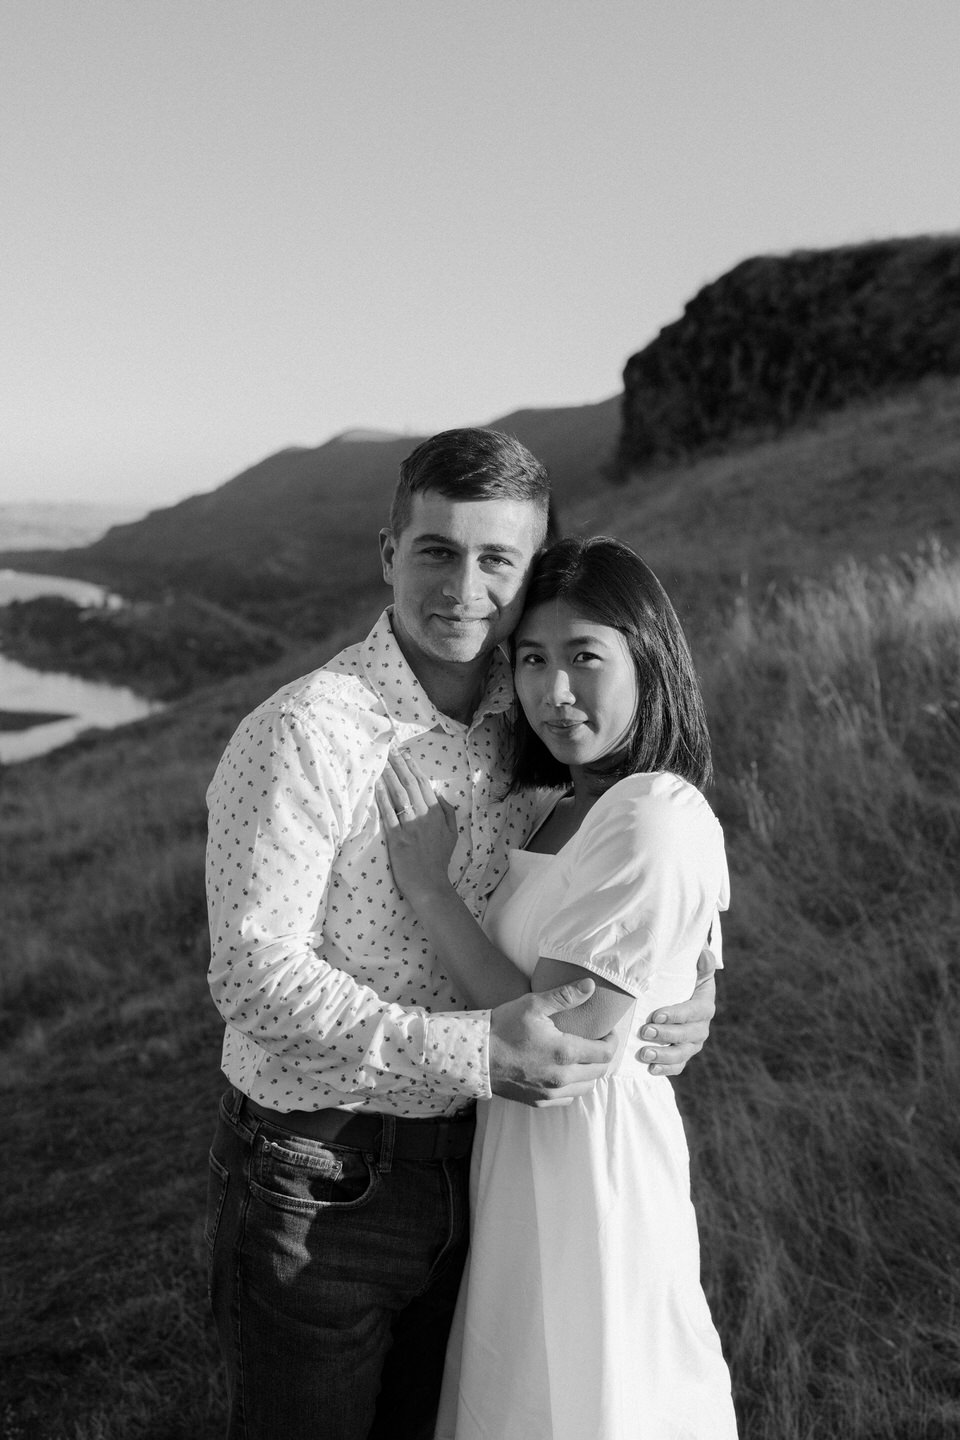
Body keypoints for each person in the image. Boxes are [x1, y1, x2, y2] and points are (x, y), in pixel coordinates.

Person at [204, 429, 719, 1440]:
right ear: (388, 554)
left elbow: (621, 855)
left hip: (486, 1171)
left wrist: (689, 973)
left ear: (531, 574)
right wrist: (474, 1051)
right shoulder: (306, 731)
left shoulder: (525, 713)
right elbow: (253, 976)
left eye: (498, 559)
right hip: (322, 1179)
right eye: (437, 550)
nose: (465, 586)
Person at [376, 535, 737, 1440]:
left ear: (649, 658)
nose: (554, 691)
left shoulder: (653, 813)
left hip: (588, 1164)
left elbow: (555, 1038)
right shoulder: (560, 807)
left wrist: (428, 887)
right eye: (532, 659)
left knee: (589, 1397)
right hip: (516, 1151)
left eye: (585, 657)